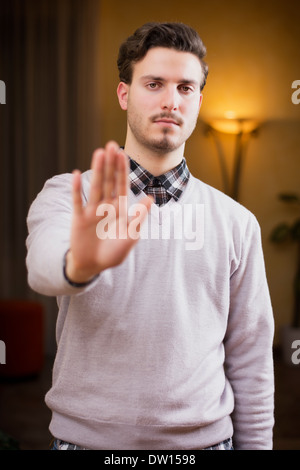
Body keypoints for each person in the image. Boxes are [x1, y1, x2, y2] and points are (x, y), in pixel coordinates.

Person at [26, 22, 274, 450]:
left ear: (199, 100)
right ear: (124, 94)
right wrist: (78, 265)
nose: (170, 101)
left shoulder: (237, 222)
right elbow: (41, 267)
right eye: (154, 83)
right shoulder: (70, 195)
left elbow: (251, 359)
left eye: (185, 88)